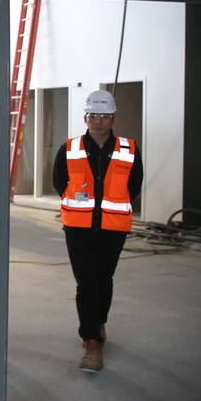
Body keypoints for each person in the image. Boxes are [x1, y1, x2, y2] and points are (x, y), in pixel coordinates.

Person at [52, 89, 143, 373]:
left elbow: (134, 187)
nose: (99, 121)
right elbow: (59, 182)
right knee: (86, 283)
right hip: (78, 228)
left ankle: (99, 322)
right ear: (85, 117)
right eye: (94, 115)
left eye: (104, 116)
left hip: (113, 229)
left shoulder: (129, 149)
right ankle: (91, 341)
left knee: (104, 280)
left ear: (113, 117)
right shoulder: (70, 148)